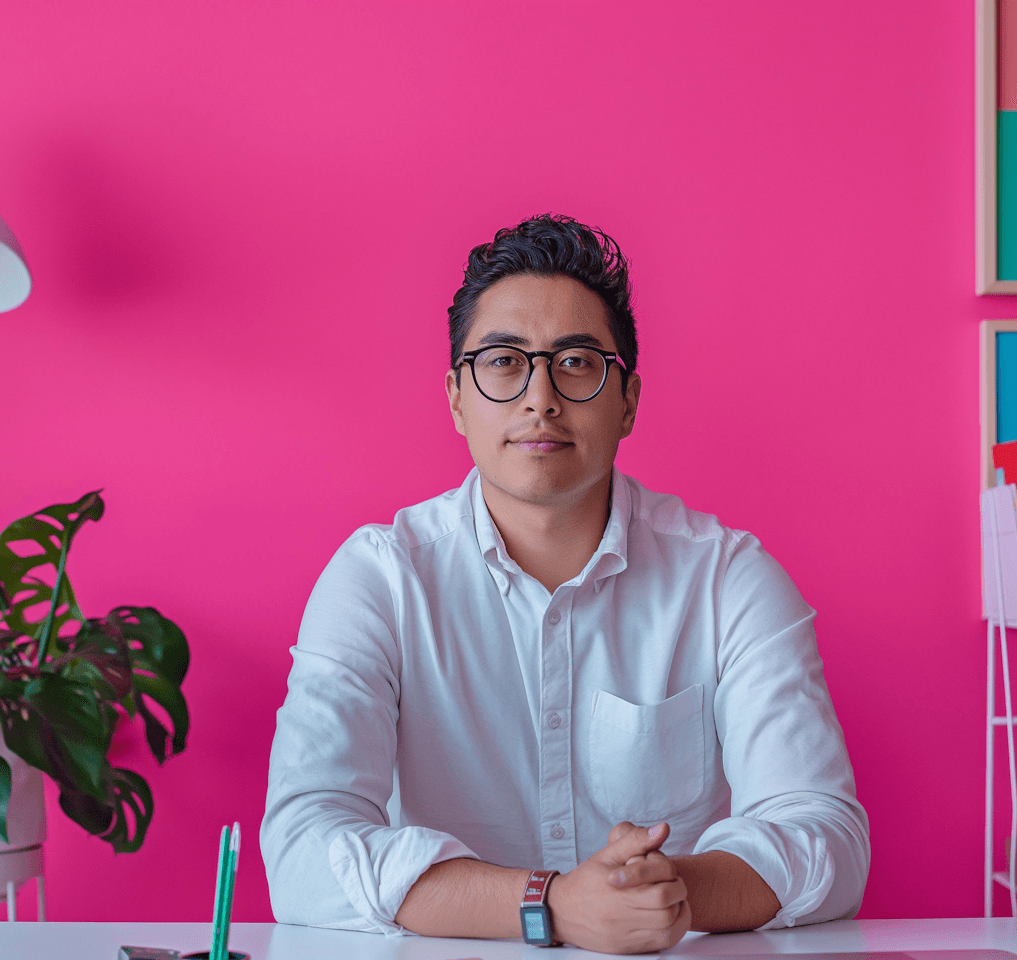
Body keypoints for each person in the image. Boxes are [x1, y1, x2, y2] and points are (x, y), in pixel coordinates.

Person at [261, 214, 869, 954]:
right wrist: (549, 904)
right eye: (504, 362)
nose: (540, 397)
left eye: (577, 362)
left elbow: (826, 835)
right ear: (457, 396)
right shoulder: (380, 580)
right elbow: (301, 847)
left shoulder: (728, 578)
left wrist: (662, 895)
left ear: (629, 401)